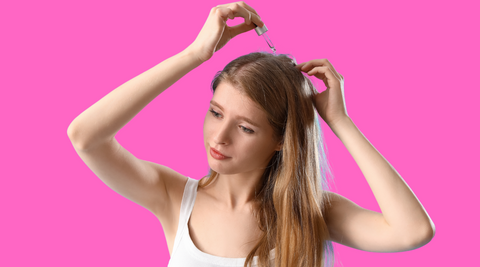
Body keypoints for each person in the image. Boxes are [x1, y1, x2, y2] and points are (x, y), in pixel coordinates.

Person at [67, 2, 435, 267]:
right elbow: (86, 136)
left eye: (245, 127)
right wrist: (194, 54)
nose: (220, 137)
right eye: (215, 113)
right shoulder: (174, 197)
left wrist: (339, 121)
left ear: (280, 139)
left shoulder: (312, 213)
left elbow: (412, 231)